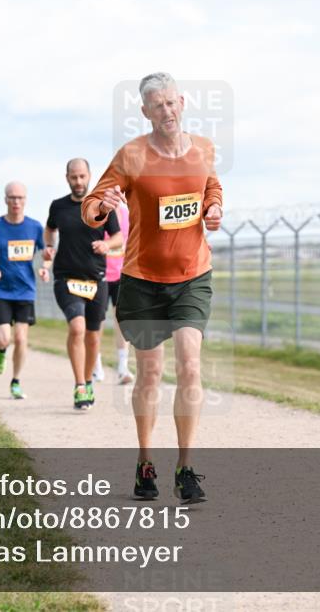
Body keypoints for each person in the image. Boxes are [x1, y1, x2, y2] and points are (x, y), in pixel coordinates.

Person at [82, 72, 223, 504]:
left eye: (171, 103)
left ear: (183, 102)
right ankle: (146, 461)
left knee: (191, 364)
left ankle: (186, 466)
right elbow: (92, 205)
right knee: (148, 373)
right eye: (156, 106)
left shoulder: (203, 148)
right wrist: (99, 208)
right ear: (145, 112)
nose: (166, 111)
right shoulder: (132, 155)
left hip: (192, 277)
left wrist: (214, 206)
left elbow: (211, 185)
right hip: (143, 281)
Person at [44, 158, 121, 409]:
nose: (78, 182)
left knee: (93, 337)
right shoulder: (58, 206)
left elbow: (118, 237)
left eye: (82, 177)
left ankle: (88, 380)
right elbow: (50, 229)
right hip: (66, 278)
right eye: (73, 177)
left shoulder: (102, 206)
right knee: (77, 328)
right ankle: (79, 385)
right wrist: (48, 247)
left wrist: (106, 245)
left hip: (97, 280)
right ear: (67, 178)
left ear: (89, 176)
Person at [0, 182, 48, 399]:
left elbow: (46, 253)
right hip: (2, 291)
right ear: (5, 200)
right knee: (3, 339)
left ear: (25, 200)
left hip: (25, 291)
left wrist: (45, 269)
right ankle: (0, 351)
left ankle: (16, 381)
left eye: (20, 198)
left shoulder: (35, 227)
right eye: (12, 198)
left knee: (20, 339)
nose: (16, 202)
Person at [93, 201, 134, 385]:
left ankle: (123, 367)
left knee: (123, 320)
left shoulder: (127, 213)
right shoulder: (98, 214)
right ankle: (96, 366)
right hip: (99, 274)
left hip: (122, 274)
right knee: (97, 321)